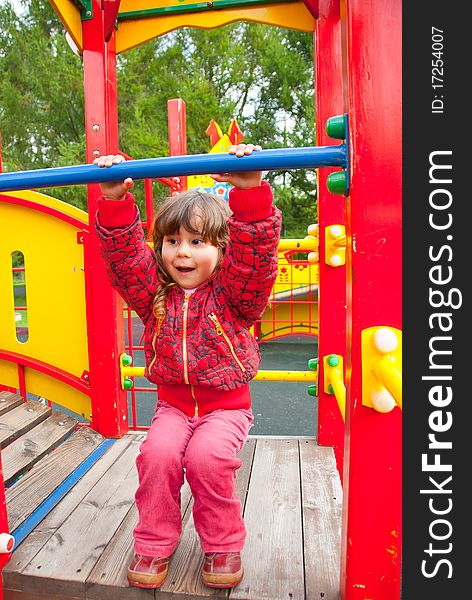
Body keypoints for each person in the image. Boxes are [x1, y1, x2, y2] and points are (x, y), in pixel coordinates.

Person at [93, 143, 281, 590]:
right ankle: (154, 544)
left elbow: (255, 260)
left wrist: (251, 195)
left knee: (207, 459)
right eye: (172, 241)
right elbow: (124, 261)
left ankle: (222, 543)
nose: (182, 253)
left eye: (198, 243)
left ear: (221, 249)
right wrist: (116, 200)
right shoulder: (155, 295)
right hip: (174, 406)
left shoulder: (236, 297)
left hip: (225, 407)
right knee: (156, 456)